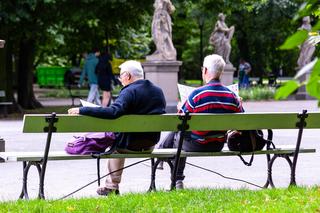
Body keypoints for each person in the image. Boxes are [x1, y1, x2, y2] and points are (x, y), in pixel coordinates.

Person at [68, 60, 166, 196]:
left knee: (116, 145)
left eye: (120, 76)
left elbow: (113, 113)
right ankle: (113, 186)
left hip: (129, 145)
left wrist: (83, 110)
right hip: (150, 144)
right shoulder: (158, 91)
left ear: (128, 76)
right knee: (120, 139)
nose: (120, 80)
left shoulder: (129, 91)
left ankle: (111, 186)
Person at [158, 54, 244, 189]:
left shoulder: (196, 95)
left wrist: (181, 108)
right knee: (180, 134)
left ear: (205, 71)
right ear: (221, 72)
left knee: (179, 136)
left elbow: (180, 122)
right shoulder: (232, 95)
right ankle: (162, 153)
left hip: (197, 144)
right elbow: (242, 119)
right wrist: (239, 103)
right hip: (218, 144)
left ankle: (177, 179)